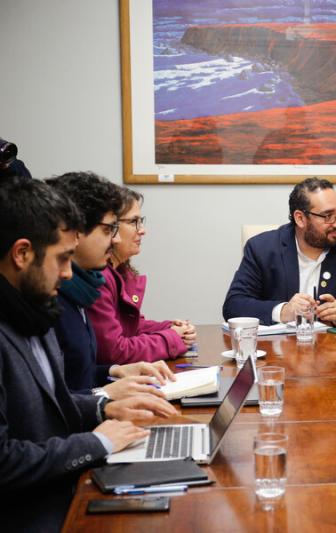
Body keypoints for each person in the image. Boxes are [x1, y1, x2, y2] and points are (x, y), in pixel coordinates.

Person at [0, 177, 178, 532]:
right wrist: (97, 441)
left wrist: (101, 407)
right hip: (31, 512)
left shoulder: (35, 311)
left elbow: (53, 401)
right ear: (22, 254)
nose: (68, 274)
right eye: (62, 259)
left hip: (64, 483)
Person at [47, 173, 176, 397]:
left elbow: (77, 375)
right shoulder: (55, 297)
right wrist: (104, 398)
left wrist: (115, 371)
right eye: (108, 229)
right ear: (75, 232)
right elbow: (51, 405)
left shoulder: (81, 290)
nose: (115, 239)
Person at [222, 177, 336, 326]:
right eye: (327, 216)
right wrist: (284, 311)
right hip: (281, 356)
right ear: (300, 218)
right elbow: (234, 305)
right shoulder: (262, 248)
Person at [87, 187, 196, 364]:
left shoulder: (120, 271)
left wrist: (169, 328)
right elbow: (115, 351)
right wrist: (171, 338)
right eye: (133, 222)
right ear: (111, 226)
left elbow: (131, 327)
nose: (142, 230)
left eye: (141, 221)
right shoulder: (100, 276)